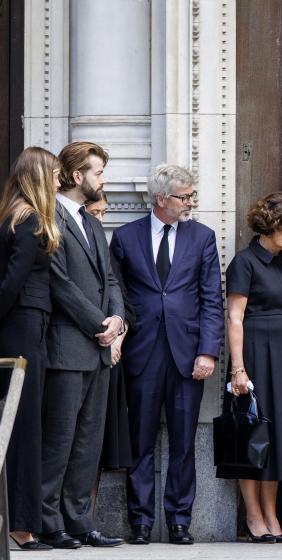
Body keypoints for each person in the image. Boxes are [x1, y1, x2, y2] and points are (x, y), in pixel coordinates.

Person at [110, 164, 224, 545]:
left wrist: (208, 351)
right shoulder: (125, 238)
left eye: (192, 195)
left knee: (183, 442)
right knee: (139, 441)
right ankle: (140, 522)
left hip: (188, 353)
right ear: (161, 199)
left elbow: (212, 299)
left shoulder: (202, 237)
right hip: (141, 352)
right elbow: (117, 296)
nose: (191, 202)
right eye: (185, 196)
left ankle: (179, 520)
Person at [41, 141, 125, 549]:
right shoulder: (49, 215)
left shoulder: (92, 222)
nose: (103, 180)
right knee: (59, 438)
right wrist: (99, 323)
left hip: (99, 349)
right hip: (67, 346)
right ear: (78, 176)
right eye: (98, 172)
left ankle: (79, 521)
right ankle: (47, 521)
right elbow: (60, 283)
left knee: (88, 441)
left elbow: (109, 278)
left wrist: (118, 320)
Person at [218, 192, 282, 543]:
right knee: (254, 434)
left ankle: (272, 513)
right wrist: (238, 369)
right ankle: (254, 517)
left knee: (280, 437)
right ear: (270, 226)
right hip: (256, 352)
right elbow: (234, 317)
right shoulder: (244, 262)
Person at [0, 147, 61, 550]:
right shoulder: (29, 220)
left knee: (18, 424)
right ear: (39, 176)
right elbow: (11, 283)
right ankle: (21, 526)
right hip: (22, 330)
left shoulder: (15, 216)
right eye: (55, 174)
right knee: (22, 426)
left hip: (24, 327)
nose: (60, 180)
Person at [83, 193, 133, 512]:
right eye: (95, 212)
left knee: (98, 442)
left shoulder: (105, 245)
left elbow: (123, 301)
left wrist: (119, 336)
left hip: (109, 355)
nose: (101, 219)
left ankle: (87, 515)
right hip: (80, 349)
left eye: (104, 212)